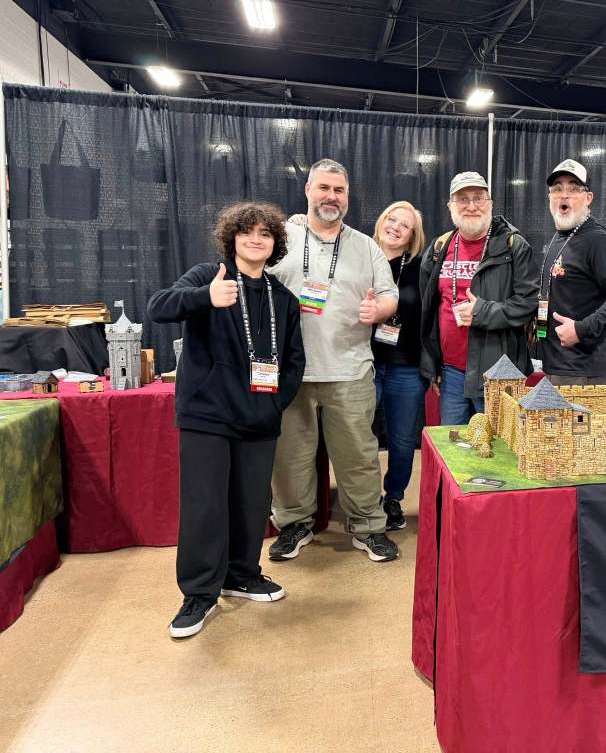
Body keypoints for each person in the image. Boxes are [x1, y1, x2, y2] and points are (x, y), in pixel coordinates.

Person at [148, 202, 305, 639]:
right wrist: (204, 298)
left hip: (259, 418)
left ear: (275, 244)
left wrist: (275, 405)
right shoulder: (206, 277)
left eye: (265, 234)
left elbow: (294, 362)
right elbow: (159, 308)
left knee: (250, 503)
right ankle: (199, 593)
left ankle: (241, 574)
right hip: (207, 416)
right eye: (247, 232)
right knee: (205, 505)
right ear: (232, 238)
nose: (256, 240)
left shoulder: (284, 299)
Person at [268, 159, 401, 564]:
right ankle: (294, 525)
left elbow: (390, 296)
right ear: (308, 190)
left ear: (348, 196)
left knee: (359, 456)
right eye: (324, 188)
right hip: (290, 372)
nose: (331, 196)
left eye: (339, 190)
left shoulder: (365, 245)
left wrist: (377, 310)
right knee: (289, 458)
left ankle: (368, 528)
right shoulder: (280, 237)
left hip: (350, 369)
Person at [420, 172, 539, 424]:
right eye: (463, 199)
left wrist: (482, 312)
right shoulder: (439, 247)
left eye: (478, 198)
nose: (471, 206)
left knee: (498, 452)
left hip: (498, 374)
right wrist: (432, 363)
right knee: (455, 451)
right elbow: (429, 309)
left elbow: (528, 304)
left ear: (491, 204)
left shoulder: (513, 246)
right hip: (450, 373)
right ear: (450, 206)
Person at [537, 159, 606, 385]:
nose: (564, 195)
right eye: (557, 189)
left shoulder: (599, 240)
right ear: (550, 198)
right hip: (556, 365)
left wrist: (582, 329)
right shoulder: (559, 236)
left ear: (588, 198)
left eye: (573, 188)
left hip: (582, 371)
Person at [371, 201, 428, 531]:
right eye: (390, 219)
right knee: (359, 438)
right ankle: (363, 501)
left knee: (403, 440)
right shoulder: (360, 257)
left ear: (412, 235)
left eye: (403, 225)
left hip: (406, 367)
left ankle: (392, 498)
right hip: (363, 365)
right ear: (381, 221)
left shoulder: (421, 268)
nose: (394, 227)